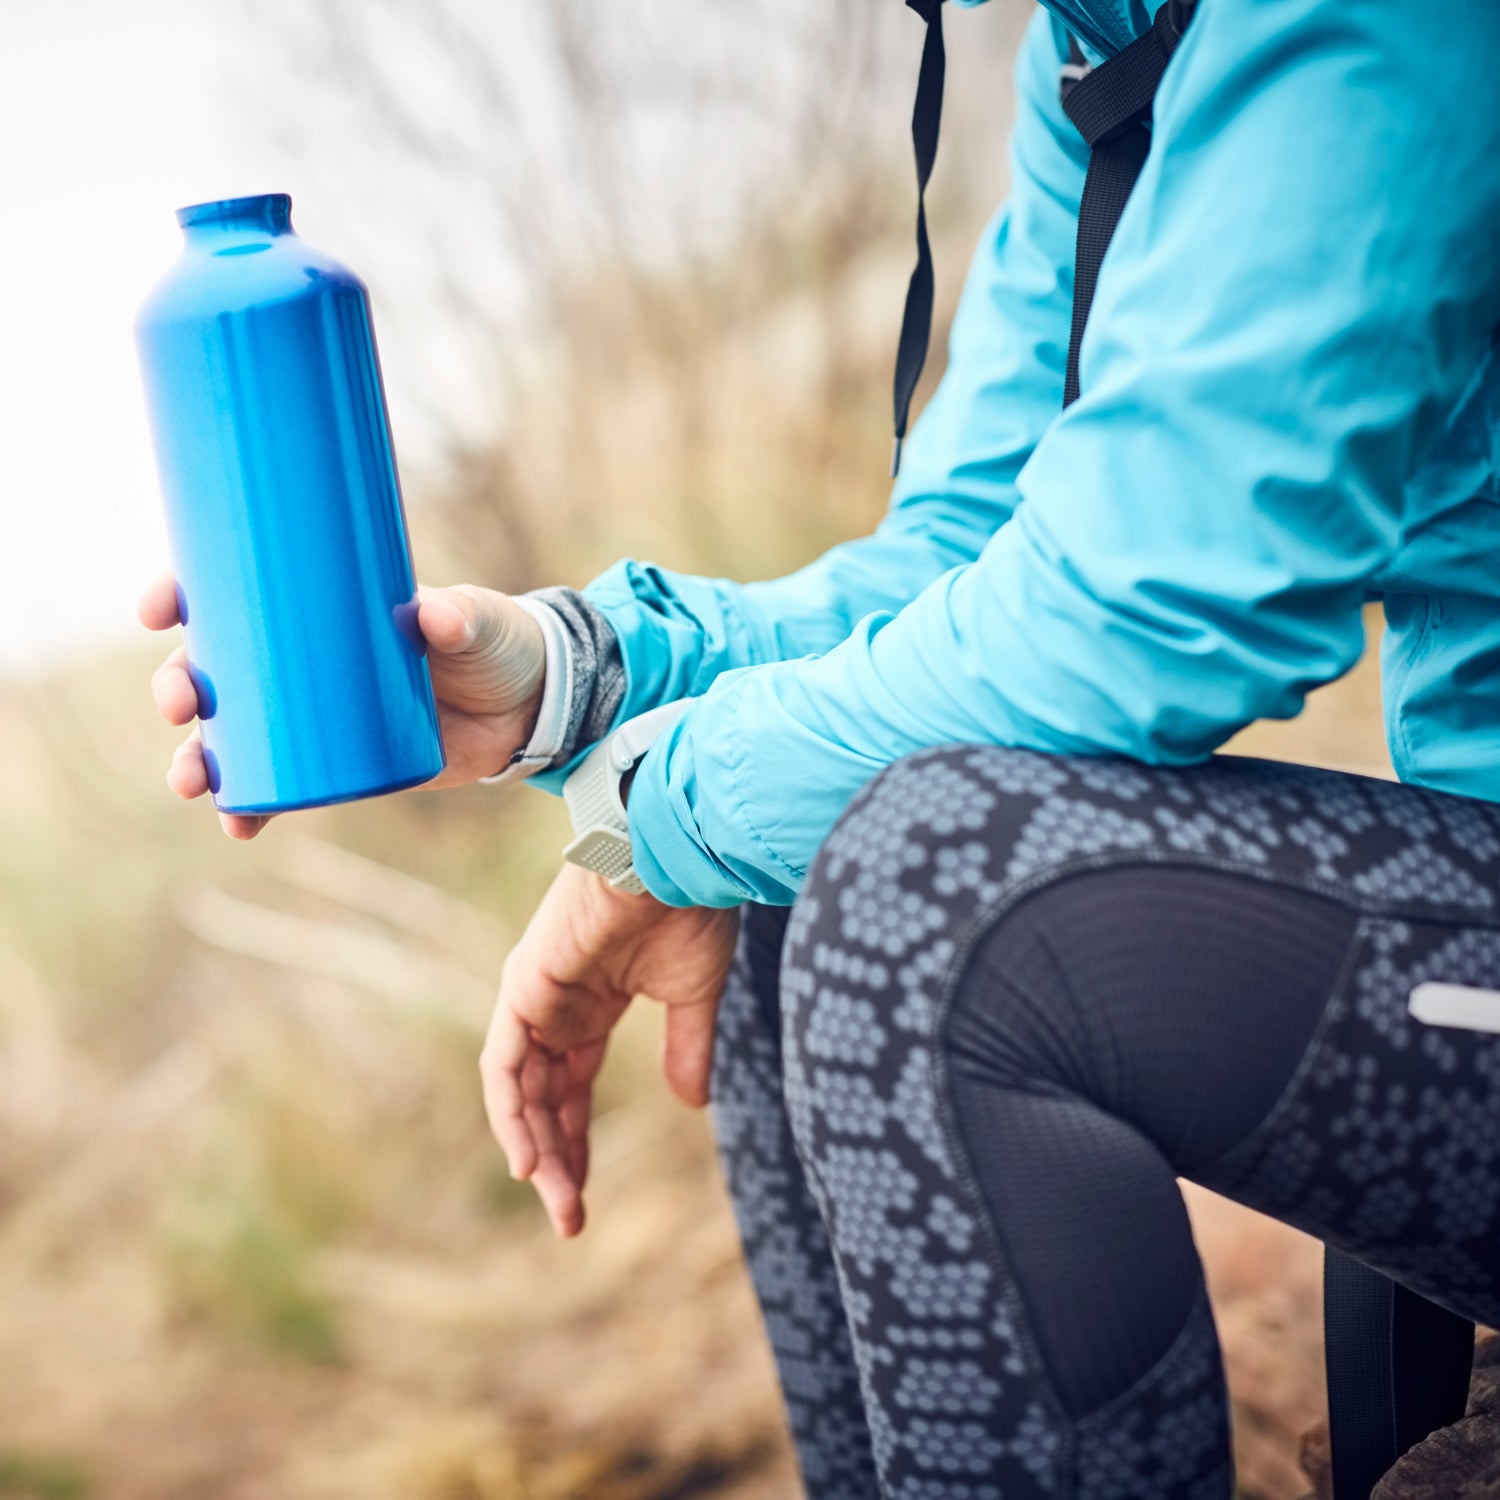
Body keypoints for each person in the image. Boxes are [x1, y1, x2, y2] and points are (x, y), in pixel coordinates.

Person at [142, 0, 1500, 1494]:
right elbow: (973, 548)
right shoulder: (1109, 44)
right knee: (813, 864)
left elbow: (1157, 603)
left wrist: (652, 825)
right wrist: (564, 681)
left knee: (928, 892)